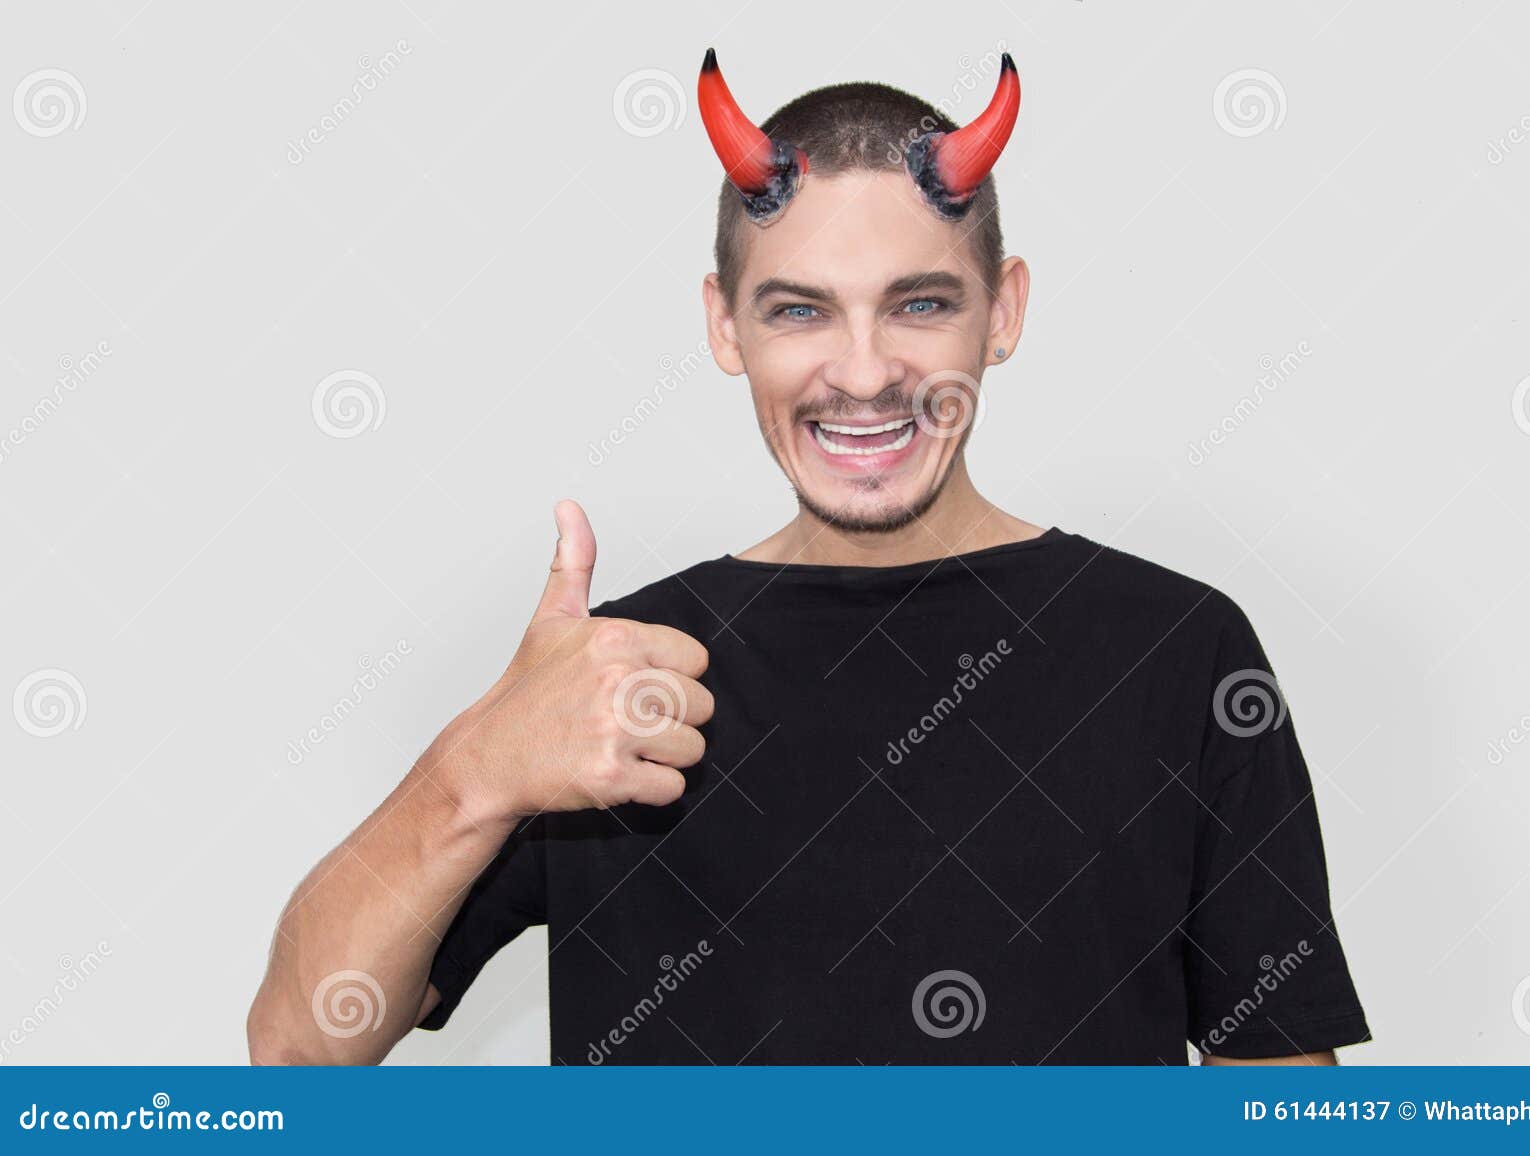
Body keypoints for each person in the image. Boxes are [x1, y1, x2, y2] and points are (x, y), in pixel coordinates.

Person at [246, 48, 1370, 1065]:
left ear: (1004, 310)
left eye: (920, 302)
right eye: (799, 311)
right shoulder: (611, 677)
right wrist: (476, 768)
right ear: (725, 326)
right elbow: (298, 1050)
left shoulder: (1171, 649)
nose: (867, 372)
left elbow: (1276, 1093)